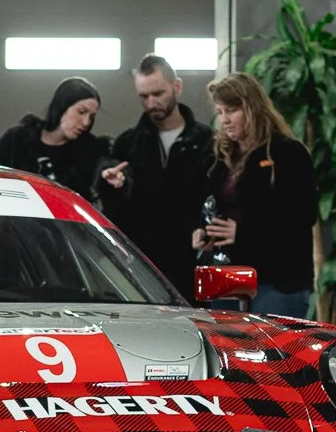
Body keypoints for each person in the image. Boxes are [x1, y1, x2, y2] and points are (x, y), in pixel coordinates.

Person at [191, 72, 316, 319]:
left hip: (276, 277)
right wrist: (201, 230)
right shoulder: (218, 156)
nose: (224, 120)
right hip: (226, 274)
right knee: (226, 350)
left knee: (272, 352)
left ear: (251, 109)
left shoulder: (287, 153)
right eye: (220, 112)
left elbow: (302, 215)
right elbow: (207, 203)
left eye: (231, 111)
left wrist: (243, 232)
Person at [98, 54, 213, 293]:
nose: (151, 103)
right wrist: (113, 185)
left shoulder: (207, 142)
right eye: (144, 96)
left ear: (177, 87)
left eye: (158, 94)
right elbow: (115, 209)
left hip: (192, 264)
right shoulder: (128, 144)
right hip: (142, 268)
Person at [0, 77, 109, 199]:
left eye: (91, 117)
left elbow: (104, 166)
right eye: (81, 111)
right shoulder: (17, 139)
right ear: (62, 106)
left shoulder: (90, 149)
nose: (86, 122)